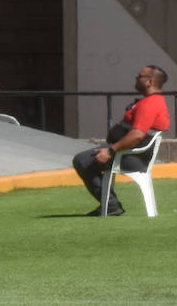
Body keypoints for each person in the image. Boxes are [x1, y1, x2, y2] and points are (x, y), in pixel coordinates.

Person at [70, 65, 170, 217]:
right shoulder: (150, 101)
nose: (136, 78)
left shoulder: (150, 104)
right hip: (126, 153)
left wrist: (110, 151)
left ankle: (111, 205)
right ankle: (110, 204)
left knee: (82, 160)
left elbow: (137, 135)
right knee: (88, 158)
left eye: (139, 76)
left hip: (132, 158)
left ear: (149, 82)